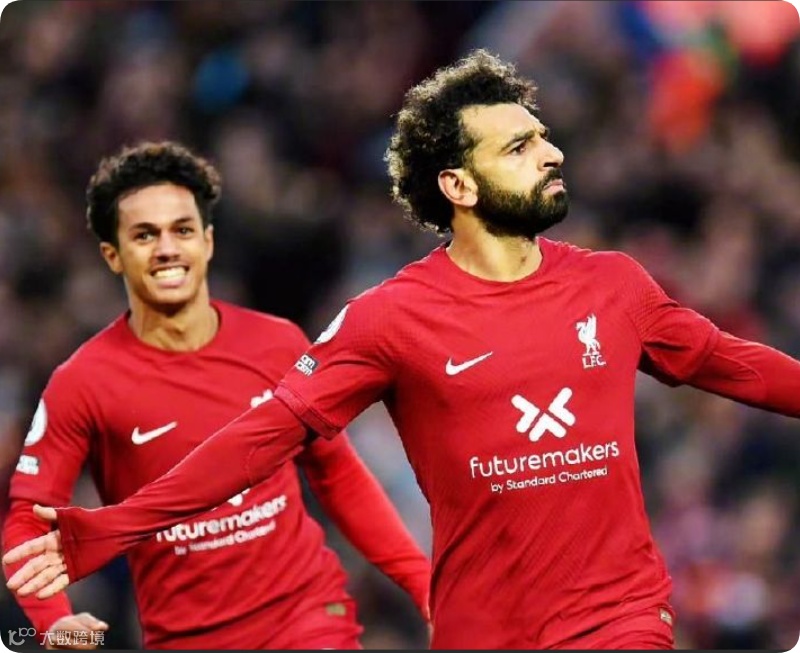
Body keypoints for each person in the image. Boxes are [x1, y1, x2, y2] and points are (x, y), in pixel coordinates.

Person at [6, 49, 800, 650]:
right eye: (518, 147)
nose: (551, 153)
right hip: (482, 630)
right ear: (458, 186)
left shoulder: (614, 285)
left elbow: (735, 363)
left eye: (543, 137)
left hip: (619, 618)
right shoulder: (389, 319)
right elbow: (259, 439)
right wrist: (119, 523)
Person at [1, 141, 431, 650]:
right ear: (112, 255)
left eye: (182, 229)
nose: (167, 248)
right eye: (145, 234)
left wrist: (423, 586)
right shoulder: (82, 383)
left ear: (207, 240)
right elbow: (28, 519)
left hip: (308, 618)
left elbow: (337, 474)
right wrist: (52, 620)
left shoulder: (277, 344)